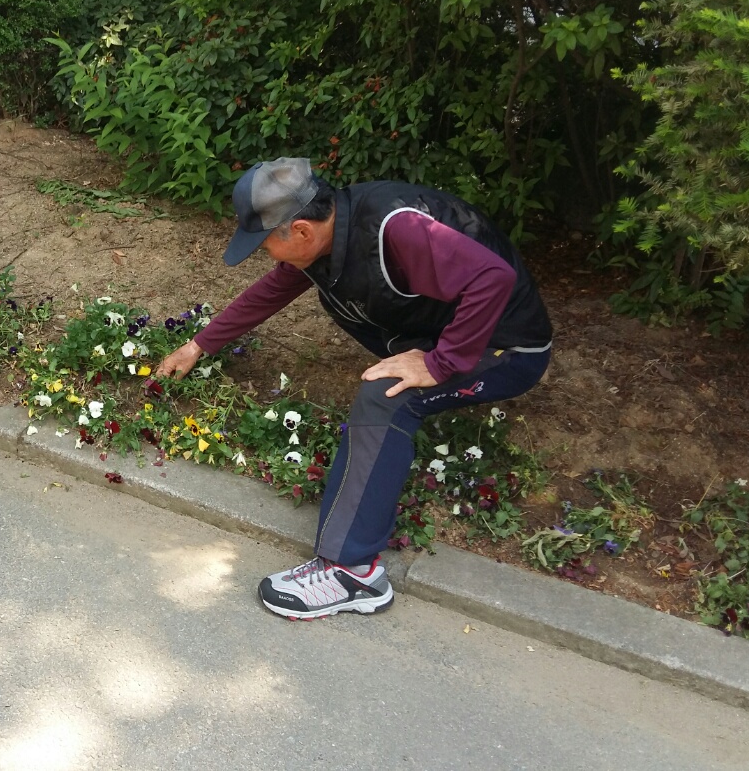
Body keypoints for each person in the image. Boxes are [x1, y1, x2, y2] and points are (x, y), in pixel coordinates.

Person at [157, 158, 553, 620]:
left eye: (266, 245)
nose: (268, 256)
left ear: (300, 230)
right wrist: (200, 344)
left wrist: (440, 363)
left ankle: (353, 572)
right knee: (382, 375)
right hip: (444, 330)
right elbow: (275, 288)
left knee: (384, 396)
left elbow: (492, 278)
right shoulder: (332, 230)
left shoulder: (395, 227)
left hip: (506, 348)